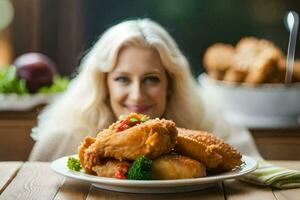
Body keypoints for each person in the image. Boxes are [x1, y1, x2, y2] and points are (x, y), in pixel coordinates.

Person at [29, 18, 259, 161]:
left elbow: (255, 172)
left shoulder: (212, 131)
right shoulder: (64, 139)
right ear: (104, 84)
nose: (137, 95)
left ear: (171, 84)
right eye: (122, 79)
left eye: (151, 79)